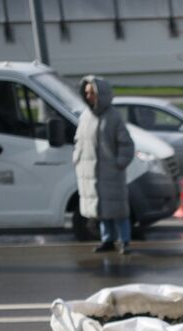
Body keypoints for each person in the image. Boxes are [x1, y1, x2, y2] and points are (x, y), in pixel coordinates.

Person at [75, 74, 135, 255]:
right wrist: (77, 159)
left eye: (91, 93)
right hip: (91, 173)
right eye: (86, 93)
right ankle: (107, 239)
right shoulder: (85, 116)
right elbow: (79, 141)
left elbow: (126, 144)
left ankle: (124, 241)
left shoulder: (113, 117)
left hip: (110, 173)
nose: (88, 96)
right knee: (101, 210)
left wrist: (119, 163)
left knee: (118, 210)